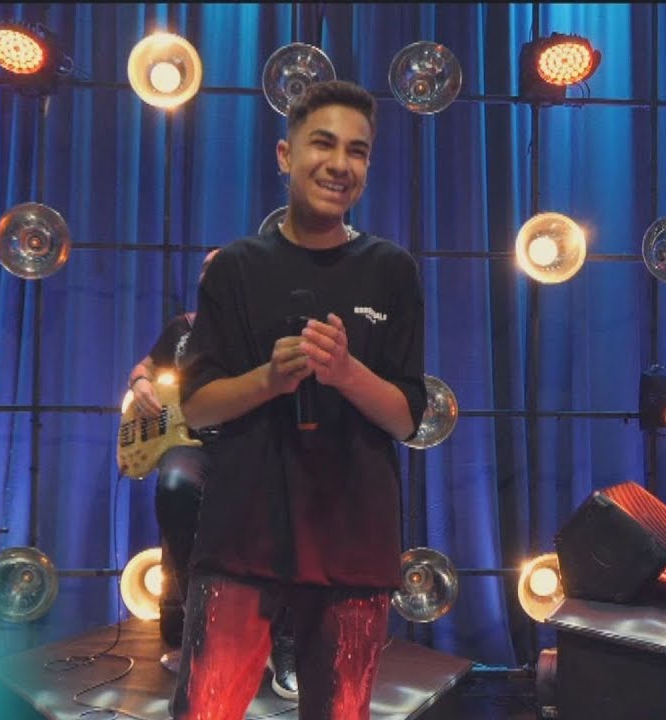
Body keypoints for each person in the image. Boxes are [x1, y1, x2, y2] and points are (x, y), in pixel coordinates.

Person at [171, 80, 427, 719]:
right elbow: (197, 406)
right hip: (243, 532)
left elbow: (407, 417)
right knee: (205, 709)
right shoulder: (234, 267)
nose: (340, 164)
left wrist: (345, 372)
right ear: (285, 155)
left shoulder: (391, 270)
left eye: (357, 151)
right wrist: (269, 379)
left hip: (353, 537)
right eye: (323, 144)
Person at [126, 248, 300, 699]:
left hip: (249, 445)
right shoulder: (183, 329)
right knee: (175, 485)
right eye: (207, 271)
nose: (213, 277)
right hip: (192, 446)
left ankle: (283, 641)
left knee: (289, 500)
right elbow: (146, 366)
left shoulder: (261, 331)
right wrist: (140, 383)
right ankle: (200, 623)